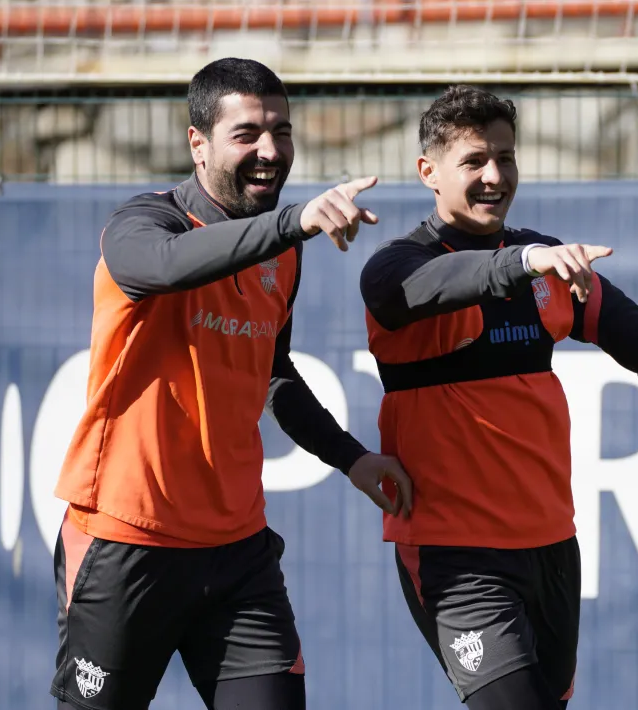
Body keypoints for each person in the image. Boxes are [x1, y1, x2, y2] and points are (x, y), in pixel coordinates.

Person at [358, 85, 638, 710]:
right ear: (428, 171)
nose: (494, 176)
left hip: (551, 549)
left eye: (506, 158)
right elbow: (438, 282)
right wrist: (525, 260)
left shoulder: (548, 265)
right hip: (456, 557)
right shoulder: (400, 267)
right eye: (475, 160)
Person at [49, 57, 412, 710]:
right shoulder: (144, 224)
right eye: (247, 134)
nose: (270, 151)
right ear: (198, 143)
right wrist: (290, 223)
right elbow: (162, 268)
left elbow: (274, 374)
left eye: (282, 131)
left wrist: (352, 459)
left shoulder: (283, 249)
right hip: (127, 543)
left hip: (237, 552)